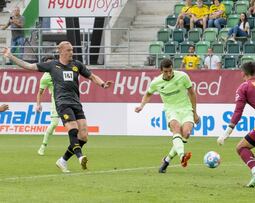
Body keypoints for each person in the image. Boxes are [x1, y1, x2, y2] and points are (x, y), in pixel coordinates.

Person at [2, 41, 113, 173]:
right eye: (69, 50)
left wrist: (103, 84)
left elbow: (92, 76)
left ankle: (63, 161)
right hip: (62, 103)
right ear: (61, 51)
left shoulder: (76, 65)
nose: (72, 52)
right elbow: (29, 66)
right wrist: (10, 56)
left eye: (72, 50)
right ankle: (80, 156)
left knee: (83, 136)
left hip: (76, 103)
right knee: (73, 129)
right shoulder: (52, 65)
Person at [135, 58, 200, 173]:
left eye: (170, 71)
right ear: (161, 71)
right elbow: (148, 94)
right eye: (166, 71)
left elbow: (192, 93)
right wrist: (141, 105)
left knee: (186, 133)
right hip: (171, 110)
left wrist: (195, 113)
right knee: (176, 128)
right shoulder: (156, 82)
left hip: (186, 109)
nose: (169, 74)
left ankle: (167, 159)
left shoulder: (183, 76)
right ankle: (182, 156)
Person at [36, 55, 59, 156]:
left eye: (52, 62)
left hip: (68, 100)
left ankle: (77, 148)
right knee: (54, 124)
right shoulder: (45, 77)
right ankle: (43, 146)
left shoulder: (60, 71)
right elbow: (40, 93)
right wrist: (38, 104)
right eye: (48, 63)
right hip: (56, 101)